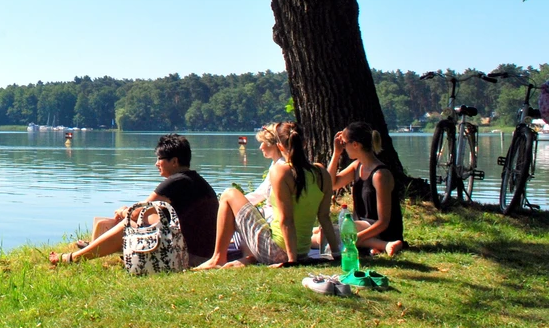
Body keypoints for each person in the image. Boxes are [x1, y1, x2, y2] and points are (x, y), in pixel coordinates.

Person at [50, 134, 218, 267]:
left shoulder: (177, 181)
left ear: (174, 161)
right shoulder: (193, 180)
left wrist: (124, 211)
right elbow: (148, 212)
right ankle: (93, 247)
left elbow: (137, 213)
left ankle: (74, 258)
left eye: (159, 159)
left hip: (190, 256)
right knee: (120, 222)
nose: (156, 164)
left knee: (128, 224)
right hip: (199, 252)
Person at [195, 122, 339, 269]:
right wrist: (336, 253)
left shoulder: (280, 171)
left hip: (277, 252)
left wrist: (292, 261)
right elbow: (324, 217)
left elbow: (286, 220)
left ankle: (218, 258)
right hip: (302, 251)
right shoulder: (321, 172)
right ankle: (245, 258)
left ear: (280, 146)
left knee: (229, 194)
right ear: (305, 143)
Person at [327, 121, 405, 256]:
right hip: (362, 225)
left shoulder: (380, 175)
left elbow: (383, 222)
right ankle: (378, 246)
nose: (343, 147)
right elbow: (332, 184)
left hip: (381, 230)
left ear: (355, 144)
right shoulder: (357, 166)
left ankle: (383, 243)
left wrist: (356, 239)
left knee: (324, 236)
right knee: (320, 232)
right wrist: (336, 153)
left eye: (344, 144)